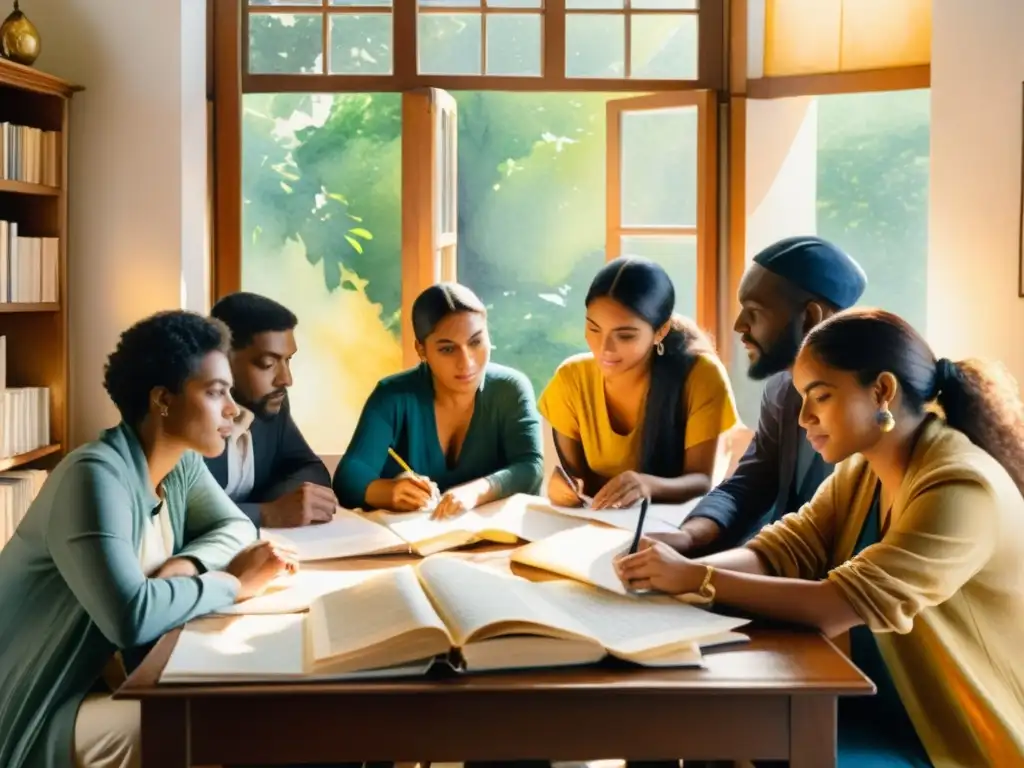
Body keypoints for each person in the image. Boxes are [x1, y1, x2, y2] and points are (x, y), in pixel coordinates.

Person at [616, 308, 1024, 766]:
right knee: (708, 728)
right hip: (877, 704)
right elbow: (781, 551)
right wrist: (665, 571)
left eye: (821, 396)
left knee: (731, 735)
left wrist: (695, 578)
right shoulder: (865, 468)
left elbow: (834, 605)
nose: (804, 417)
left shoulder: (961, 488)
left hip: (952, 739)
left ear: (882, 390)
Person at [0, 310, 297, 768]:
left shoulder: (179, 463)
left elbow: (236, 526)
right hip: (41, 707)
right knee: (202, 725)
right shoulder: (93, 477)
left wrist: (187, 566)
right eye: (216, 392)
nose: (233, 409)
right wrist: (234, 583)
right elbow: (130, 617)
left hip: (107, 678)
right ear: (163, 399)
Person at [661, 236, 867, 553]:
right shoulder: (781, 389)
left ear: (811, 318)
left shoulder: (875, 413)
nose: (739, 325)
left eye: (754, 311)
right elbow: (751, 483)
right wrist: (688, 536)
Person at [540, 256, 738, 511]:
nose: (604, 348)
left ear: (660, 331)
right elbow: (574, 480)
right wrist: (562, 488)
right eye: (594, 328)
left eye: (624, 335)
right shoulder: (571, 379)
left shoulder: (700, 375)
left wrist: (647, 486)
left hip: (673, 530)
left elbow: (701, 481)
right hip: (595, 526)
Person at [333, 283, 544, 517]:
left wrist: (476, 492)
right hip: (409, 548)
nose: (467, 362)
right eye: (447, 349)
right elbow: (348, 477)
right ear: (421, 350)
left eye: (475, 342)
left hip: (494, 546)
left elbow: (530, 468)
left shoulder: (511, 388)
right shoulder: (392, 395)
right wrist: (389, 492)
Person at [207, 292, 336, 528]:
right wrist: (266, 513)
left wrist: (285, 502)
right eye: (268, 364)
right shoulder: (188, 417)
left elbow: (310, 468)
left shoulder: (272, 402)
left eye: (288, 360)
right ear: (222, 359)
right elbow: (176, 516)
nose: (286, 379)